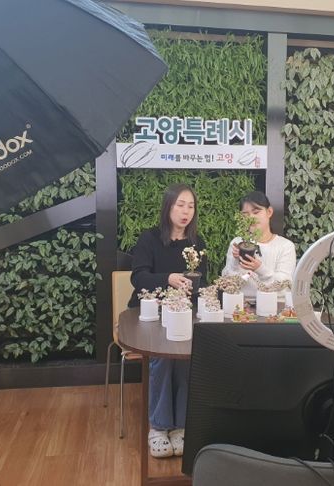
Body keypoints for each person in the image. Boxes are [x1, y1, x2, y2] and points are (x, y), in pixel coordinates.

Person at [128, 183, 207, 459]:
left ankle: (181, 426)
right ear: (168, 207)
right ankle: (159, 427)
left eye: (191, 206)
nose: (186, 212)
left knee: (185, 356)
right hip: (150, 312)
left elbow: (201, 283)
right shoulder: (149, 238)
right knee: (162, 357)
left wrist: (198, 290)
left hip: (183, 312)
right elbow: (138, 277)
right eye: (180, 205)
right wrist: (168, 279)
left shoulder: (197, 243)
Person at [222, 191, 296, 300]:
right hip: (240, 305)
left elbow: (284, 287)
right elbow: (227, 283)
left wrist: (260, 269)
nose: (251, 217)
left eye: (256, 212)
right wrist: (235, 262)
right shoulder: (237, 243)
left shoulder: (285, 246)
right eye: (245, 214)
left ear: (269, 212)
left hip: (274, 305)